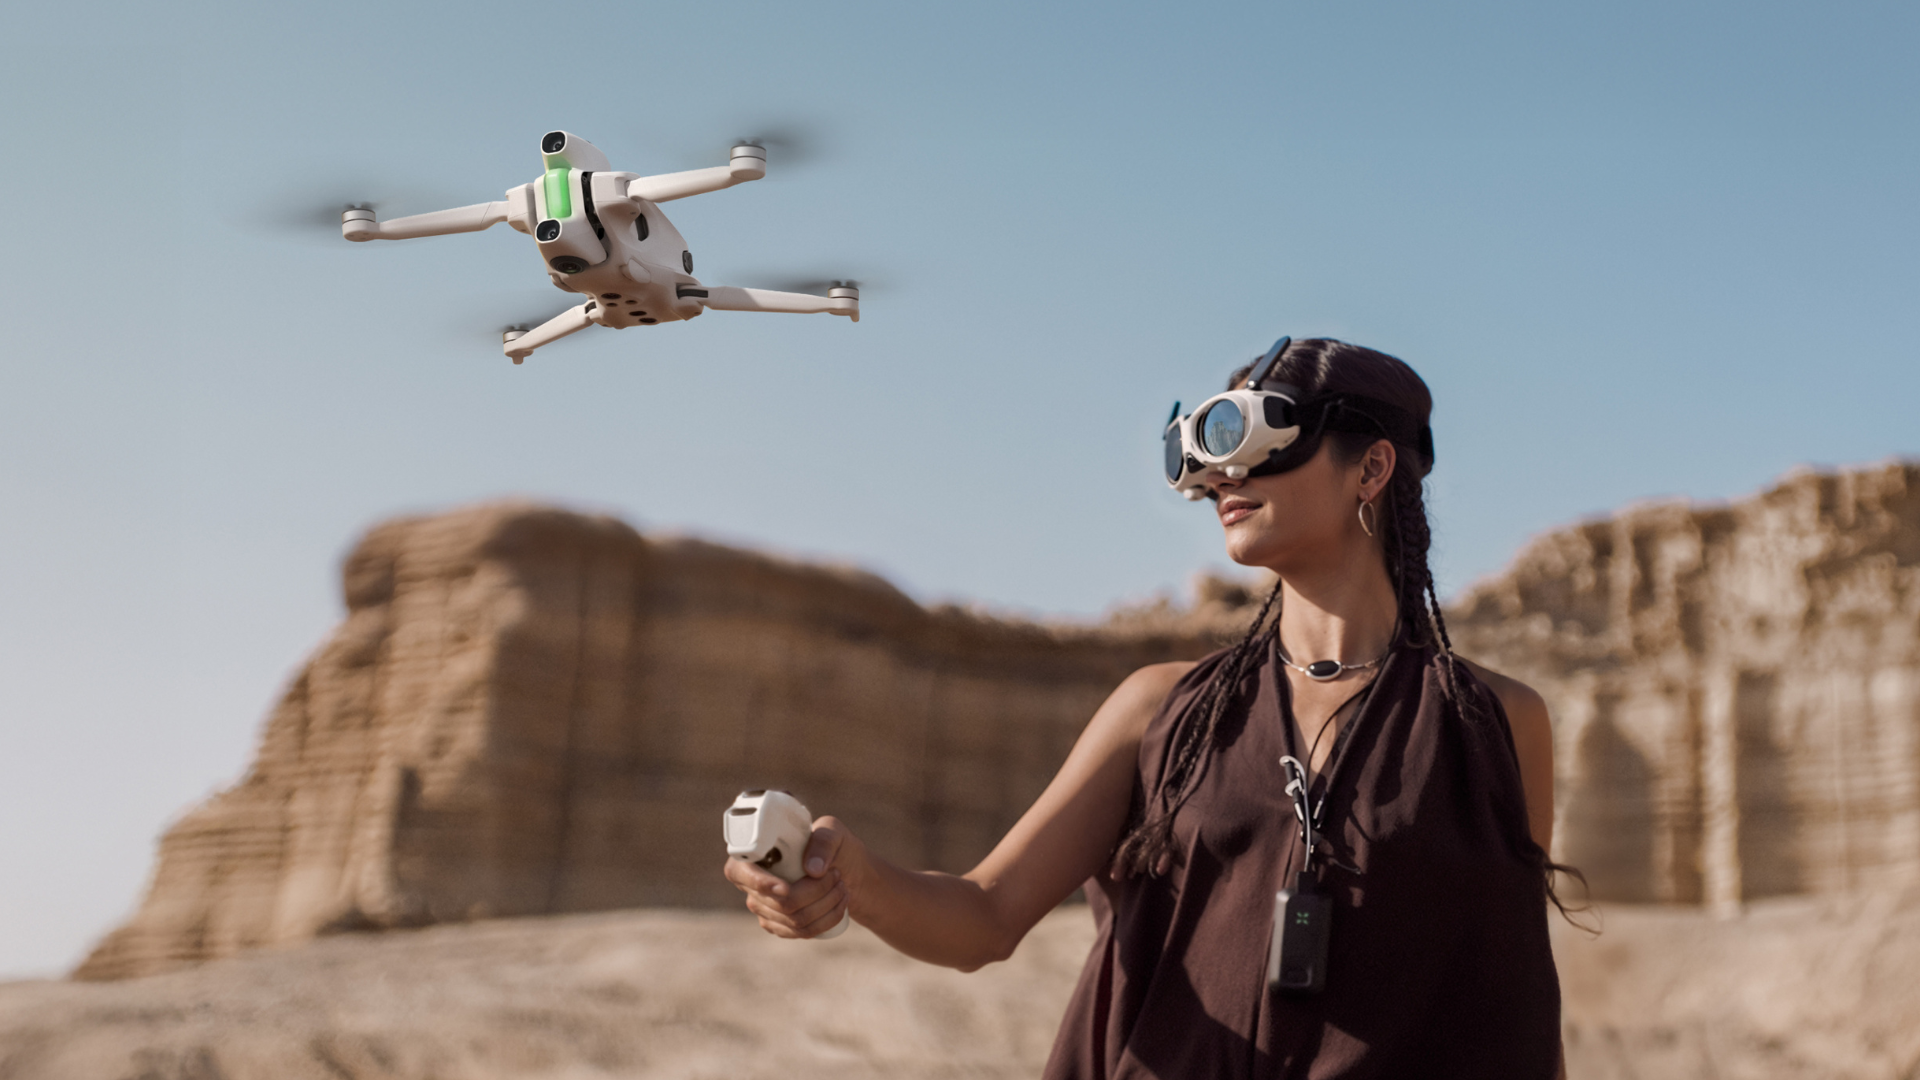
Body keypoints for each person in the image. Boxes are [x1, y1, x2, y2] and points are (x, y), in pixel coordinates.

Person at [723, 338, 1573, 1078]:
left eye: (1254, 438)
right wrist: (856, 883)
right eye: (1203, 455)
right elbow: (984, 916)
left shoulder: (1495, 723)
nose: (1219, 477)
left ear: (1373, 466)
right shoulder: (1163, 709)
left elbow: (1513, 1009)